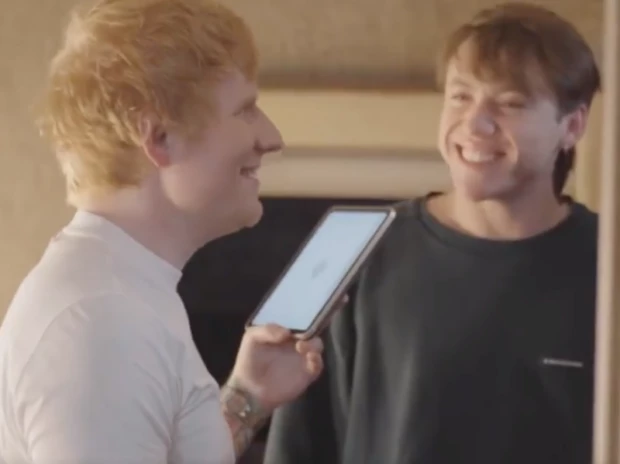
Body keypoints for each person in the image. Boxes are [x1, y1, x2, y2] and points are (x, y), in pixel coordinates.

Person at [264, 3, 601, 464]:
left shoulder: (608, 265)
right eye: (461, 96)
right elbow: (293, 448)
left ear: (573, 125)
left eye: (510, 103)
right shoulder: (346, 251)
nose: (475, 123)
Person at [0, 0, 329, 463]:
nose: (272, 137)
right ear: (159, 139)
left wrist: (246, 397)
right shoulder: (104, 323)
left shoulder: (121, 297)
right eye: (245, 110)